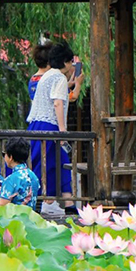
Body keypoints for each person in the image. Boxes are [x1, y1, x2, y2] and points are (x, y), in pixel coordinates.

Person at [26, 43, 81, 215]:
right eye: (71, 62)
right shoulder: (59, 78)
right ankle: (37, 203)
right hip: (49, 126)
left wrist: (71, 83)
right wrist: (62, 130)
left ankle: (69, 203)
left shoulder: (48, 75)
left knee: (58, 161)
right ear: (65, 62)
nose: (72, 65)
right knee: (46, 164)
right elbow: (57, 102)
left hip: (36, 124)